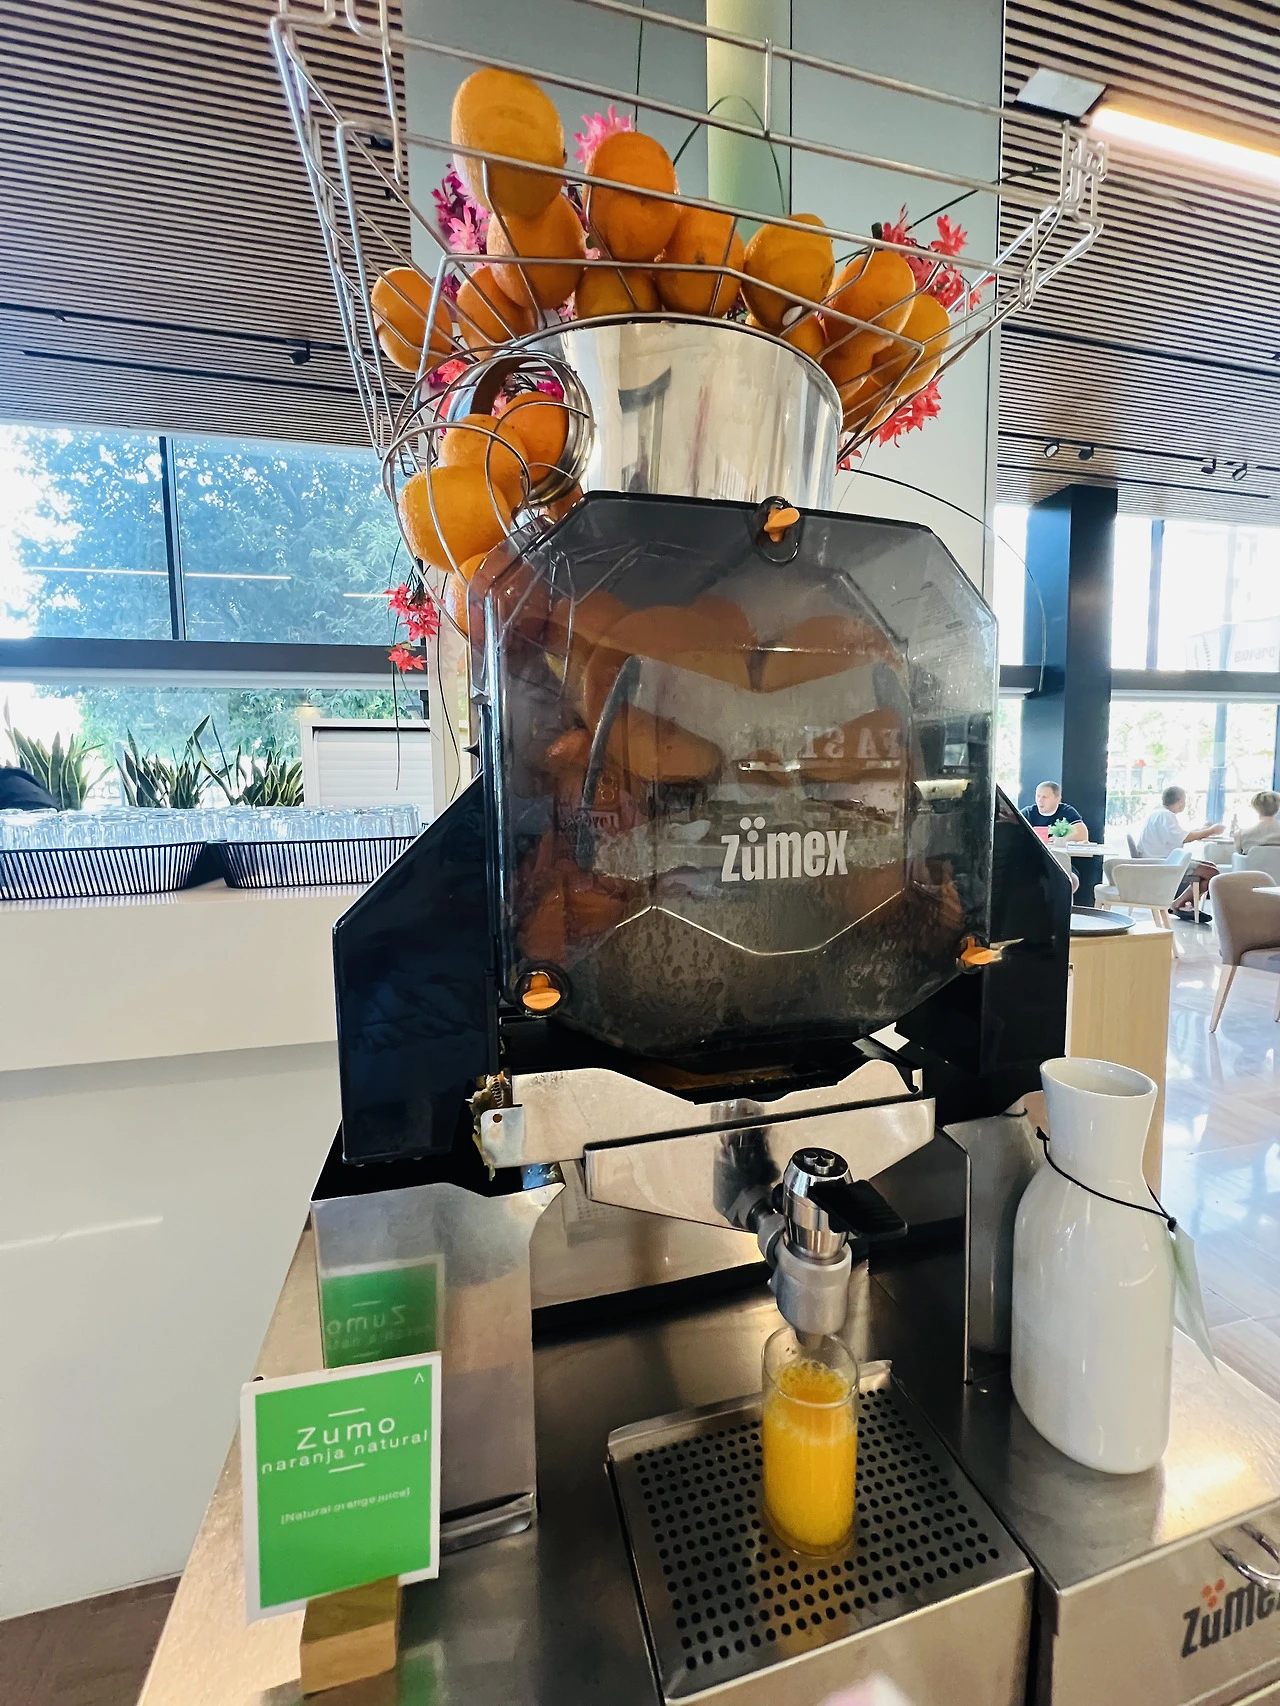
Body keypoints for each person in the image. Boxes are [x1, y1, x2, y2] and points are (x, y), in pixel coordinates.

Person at [1138, 785, 1223, 921]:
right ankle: (1178, 904)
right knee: (1212, 873)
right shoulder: (1166, 815)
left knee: (1211, 866)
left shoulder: (1158, 813)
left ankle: (1186, 904)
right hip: (1163, 862)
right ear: (1180, 801)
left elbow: (1179, 834)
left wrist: (1202, 830)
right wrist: (1211, 831)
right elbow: (1184, 838)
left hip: (1158, 858)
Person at [1023, 780, 1089, 842]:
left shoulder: (1067, 812)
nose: (1040, 800)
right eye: (1038, 796)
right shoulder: (1028, 813)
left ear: (1057, 798)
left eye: (1045, 797)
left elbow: (1082, 835)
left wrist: (1057, 840)